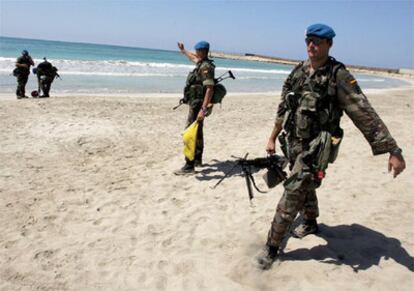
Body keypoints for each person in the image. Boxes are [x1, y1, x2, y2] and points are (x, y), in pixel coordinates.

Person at [258, 23, 406, 270]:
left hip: (318, 148)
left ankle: (271, 247)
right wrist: (273, 136)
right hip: (294, 144)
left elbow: (363, 112)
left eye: (317, 41)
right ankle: (311, 223)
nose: (311, 45)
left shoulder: (338, 76)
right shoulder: (297, 72)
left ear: (329, 44)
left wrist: (393, 149)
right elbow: (284, 108)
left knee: (294, 189)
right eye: (309, 40)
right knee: (306, 185)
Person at [174, 41, 215, 175]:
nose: (195, 53)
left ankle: (189, 165)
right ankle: (197, 159)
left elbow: (209, 88)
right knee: (197, 131)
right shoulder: (202, 63)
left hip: (198, 104)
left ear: (202, 51)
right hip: (196, 102)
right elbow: (193, 58)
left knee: (189, 132)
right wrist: (183, 50)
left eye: (196, 51)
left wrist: (203, 109)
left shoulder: (205, 67)